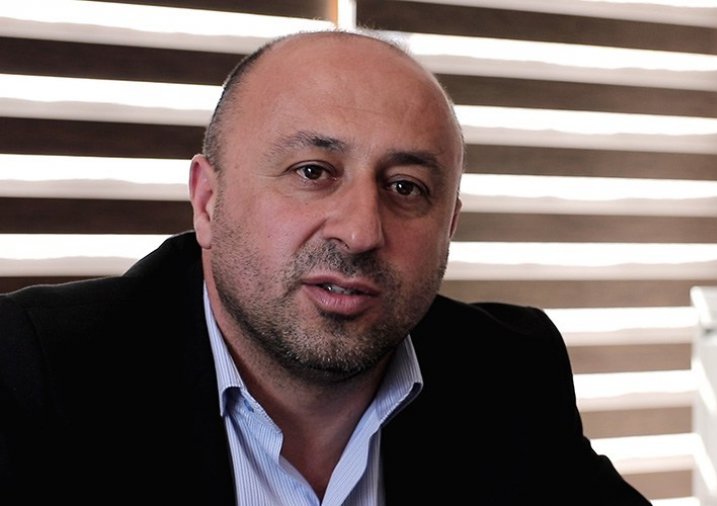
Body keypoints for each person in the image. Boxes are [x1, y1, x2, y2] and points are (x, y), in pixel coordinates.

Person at [0, 30, 650, 505]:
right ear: (207, 201)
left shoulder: (507, 372)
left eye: (406, 187)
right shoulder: (33, 373)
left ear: (449, 228)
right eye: (313, 172)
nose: (361, 232)